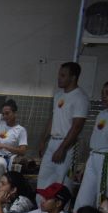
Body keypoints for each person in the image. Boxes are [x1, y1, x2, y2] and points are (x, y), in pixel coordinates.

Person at [37, 62, 88, 196]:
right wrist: (43, 140)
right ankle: (41, 211)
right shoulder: (59, 95)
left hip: (67, 145)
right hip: (53, 142)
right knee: (44, 178)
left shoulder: (80, 97)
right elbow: (53, 119)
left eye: (63, 75)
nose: (59, 78)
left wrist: (62, 148)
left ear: (73, 78)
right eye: (59, 75)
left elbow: (77, 126)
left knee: (61, 183)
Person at [75, 81, 108, 211]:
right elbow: (96, 141)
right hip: (94, 157)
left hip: (105, 160)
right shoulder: (101, 114)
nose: (104, 96)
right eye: (103, 93)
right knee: (84, 197)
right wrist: (85, 164)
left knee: (102, 197)